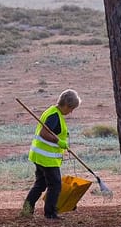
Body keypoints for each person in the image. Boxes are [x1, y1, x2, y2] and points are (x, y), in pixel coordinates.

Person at [22, 89, 81, 220]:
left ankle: (27, 210)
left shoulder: (52, 111)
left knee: (40, 184)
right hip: (47, 158)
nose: (71, 112)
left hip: (39, 156)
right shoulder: (54, 115)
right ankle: (50, 214)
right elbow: (44, 133)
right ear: (66, 105)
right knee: (55, 185)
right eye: (71, 108)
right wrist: (59, 142)